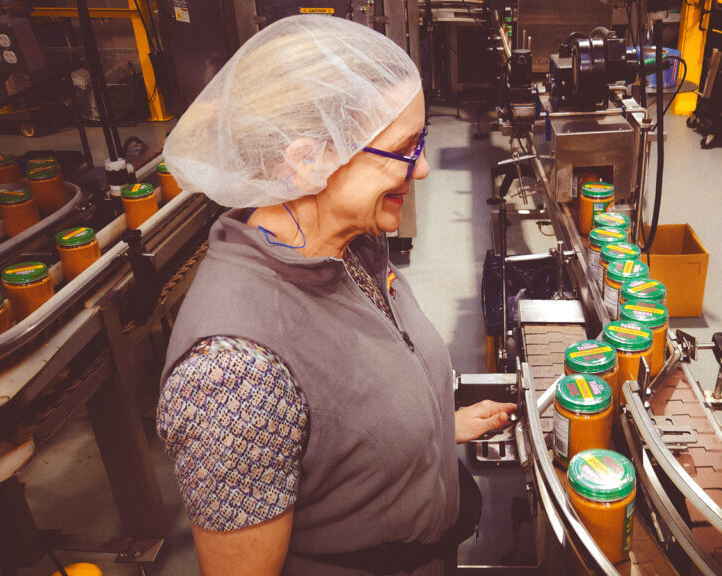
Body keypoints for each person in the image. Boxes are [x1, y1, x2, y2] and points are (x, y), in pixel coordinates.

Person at [156, 16, 515, 575]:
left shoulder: (345, 247)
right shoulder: (233, 374)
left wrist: (436, 429)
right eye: (403, 148)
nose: (420, 168)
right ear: (307, 160)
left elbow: (340, 415)